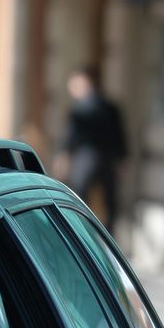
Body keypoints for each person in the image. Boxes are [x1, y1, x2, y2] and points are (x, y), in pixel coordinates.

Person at [58, 65, 126, 229]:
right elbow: (120, 137)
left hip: (85, 159)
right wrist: (122, 161)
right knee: (110, 204)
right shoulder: (110, 107)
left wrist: (63, 158)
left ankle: (82, 233)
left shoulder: (79, 109)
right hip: (107, 160)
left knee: (79, 200)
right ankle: (108, 238)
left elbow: (70, 138)